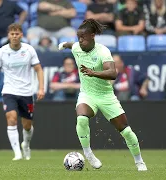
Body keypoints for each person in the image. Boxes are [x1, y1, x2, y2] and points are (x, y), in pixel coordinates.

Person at [58, 18, 147, 171]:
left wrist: (93, 73)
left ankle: (139, 161)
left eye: (83, 38)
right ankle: (88, 153)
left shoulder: (102, 51)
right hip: (87, 94)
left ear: (92, 36)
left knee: (126, 131)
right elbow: (72, 45)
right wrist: (64, 44)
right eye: (78, 38)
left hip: (106, 96)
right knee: (81, 119)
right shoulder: (77, 47)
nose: (80, 41)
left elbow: (113, 73)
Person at [0, 23, 45, 161]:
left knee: (27, 126)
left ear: (21, 35)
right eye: (12, 34)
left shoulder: (29, 50)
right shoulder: (2, 52)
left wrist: (41, 88)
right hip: (9, 91)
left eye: (17, 33)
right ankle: (17, 153)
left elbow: (38, 69)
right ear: (8, 35)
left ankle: (26, 145)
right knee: (11, 118)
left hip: (27, 92)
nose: (14, 36)